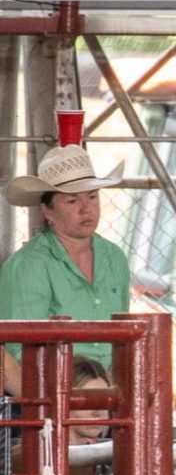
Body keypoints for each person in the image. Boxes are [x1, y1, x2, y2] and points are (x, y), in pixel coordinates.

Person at [2, 146, 130, 368]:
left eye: (93, 197)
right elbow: (21, 350)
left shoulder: (114, 257)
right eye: (72, 201)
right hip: (53, 384)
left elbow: (122, 335)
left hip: (111, 382)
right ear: (48, 211)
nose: (86, 209)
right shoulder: (29, 265)